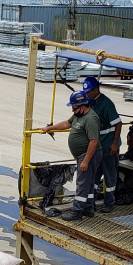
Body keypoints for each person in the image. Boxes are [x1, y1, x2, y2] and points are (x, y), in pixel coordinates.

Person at [38, 91, 102, 221]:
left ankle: (76, 212)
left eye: (74, 108)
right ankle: (88, 209)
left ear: (82, 107)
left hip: (88, 155)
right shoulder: (78, 115)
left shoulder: (91, 119)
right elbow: (67, 123)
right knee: (88, 183)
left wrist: (85, 161)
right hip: (83, 155)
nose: (72, 111)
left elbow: (94, 141)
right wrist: (49, 129)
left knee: (82, 184)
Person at [82, 77, 123, 213]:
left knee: (109, 176)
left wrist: (115, 143)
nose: (86, 94)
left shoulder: (106, 104)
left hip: (109, 146)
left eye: (88, 92)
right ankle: (90, 203)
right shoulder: (91, 102)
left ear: (96, 90)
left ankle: (109, 203)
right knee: (94, 175)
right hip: (97, 147)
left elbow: (118, 123)